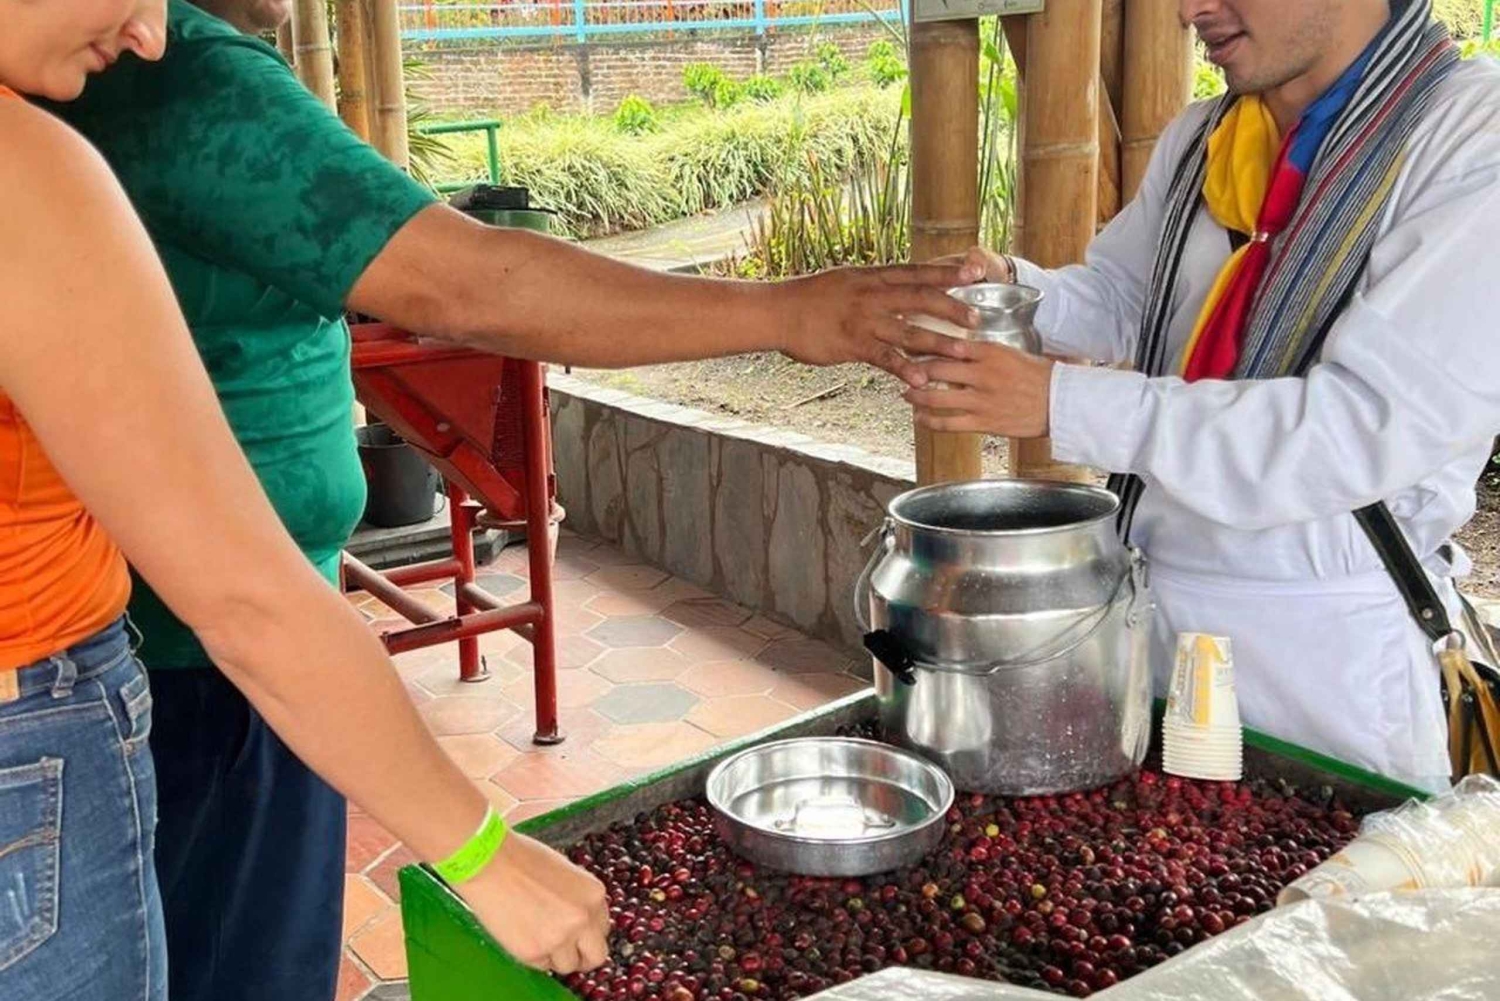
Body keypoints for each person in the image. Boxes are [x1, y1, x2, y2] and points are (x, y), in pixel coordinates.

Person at [44, 3, 978, 998]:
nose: (141, 27)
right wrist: (790, 311)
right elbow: (464, 282)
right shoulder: (182, 77)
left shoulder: (81, 89)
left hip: (170, 651)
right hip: (204, 675)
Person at [911, 0, 1500, 790]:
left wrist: (1060, 404)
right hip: (1153, 631)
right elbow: (1132, 296)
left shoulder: (1468, 141)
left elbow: (1352, 431)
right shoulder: (1208, 136)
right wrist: (1011, 299)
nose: (1192, 11)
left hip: (1320, 660)